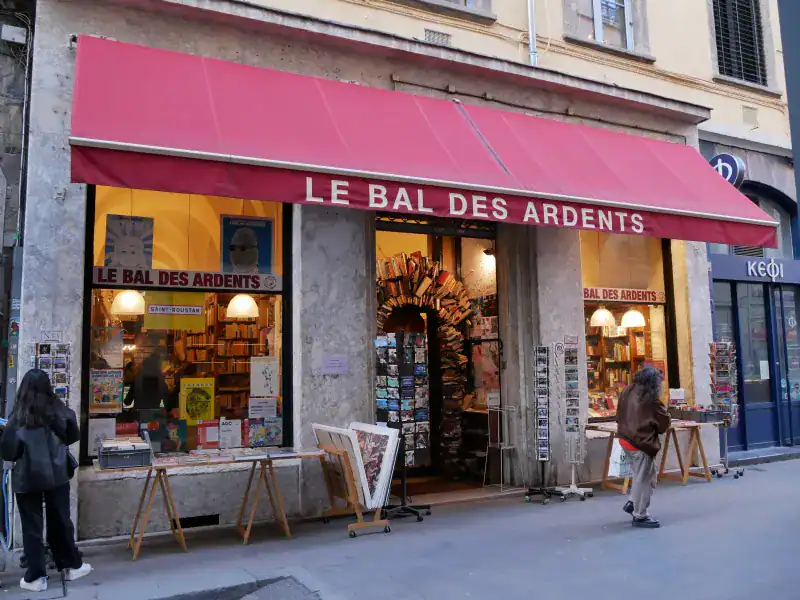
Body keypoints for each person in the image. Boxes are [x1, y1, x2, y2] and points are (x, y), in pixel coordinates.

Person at [0, 370, 93, 591]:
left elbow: (9, 453)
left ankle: (36, 577)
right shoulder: (59, 411)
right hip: (57, 475)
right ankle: (70, 565)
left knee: (31, 526)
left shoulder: (17, 418)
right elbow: (73, 435)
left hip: (27, 478)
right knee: (60, 521)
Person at [616, 367, 671, 529]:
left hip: (625, 437)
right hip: (641, 442)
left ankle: (633, 502)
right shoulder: (651, 399)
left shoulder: (627, 389)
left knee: (643, 475)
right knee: (644, 478)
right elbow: (662, 425)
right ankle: (640, 515)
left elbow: (619, 413)